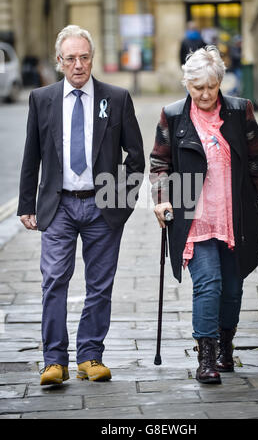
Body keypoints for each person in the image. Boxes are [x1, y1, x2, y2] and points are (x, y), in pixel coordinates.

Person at [17, 25, 145, 386]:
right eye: (70, 58)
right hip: (57, 207)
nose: (78, 65)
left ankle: (91, 356)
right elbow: (32, 157)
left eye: (84, 57)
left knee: (100, 285)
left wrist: (123, 202)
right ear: (60, 62)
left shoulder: (116, 98)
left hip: (102, 207)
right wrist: (27, 203)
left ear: (92, 59)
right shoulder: (42, 99)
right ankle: (53, 361)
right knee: (54, 280)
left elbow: (135, 157)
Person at [150, 46, 258, 385]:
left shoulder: (240, 112)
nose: (206, 94)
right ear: (187, 85)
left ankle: (225, 345)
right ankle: (205, 356)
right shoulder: (173, 115)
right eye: (198, 88)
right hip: (194, 220)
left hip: (234, 216)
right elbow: (159, 164)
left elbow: (257, 159)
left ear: (220, 82)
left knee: (232, 289)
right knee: (208, 284)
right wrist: (162, 199)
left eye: (211, 86)